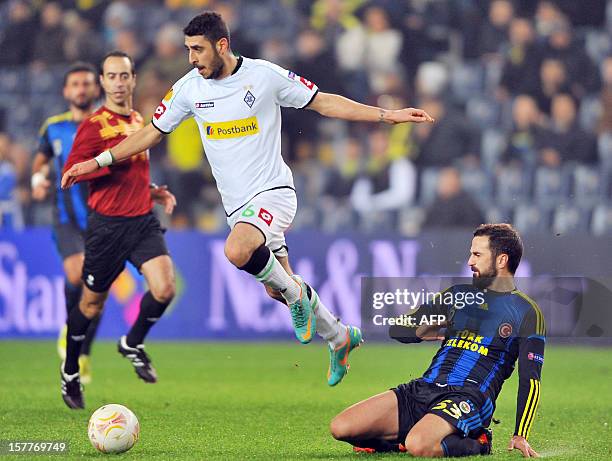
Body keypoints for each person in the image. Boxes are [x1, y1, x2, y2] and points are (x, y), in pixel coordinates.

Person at [61, 12, 435, 387]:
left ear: (221, 45)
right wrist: (96, 161)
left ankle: (298, 295)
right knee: (276, 287)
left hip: (274, 193)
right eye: (188, 49)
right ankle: (339, 336)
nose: (191, 58)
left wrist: (386, 115)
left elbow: (323, 102)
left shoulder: (265, 76)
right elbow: (150, 134)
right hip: (238, 209)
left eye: (197, 49)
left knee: (238, 251)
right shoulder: (189, 88)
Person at [330, 224, 545, 458]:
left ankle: (480, 442)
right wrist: (426, 328)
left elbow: (530, 379)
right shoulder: (456, 295)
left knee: (420, 444)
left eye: (477, 255)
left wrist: (520, 434)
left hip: (468, 396)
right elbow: (397, 328)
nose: (470, 261)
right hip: (424, 387)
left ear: (501, 260)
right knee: (340, 428)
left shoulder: (526, 311)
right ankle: (409, 439)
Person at [59, 51, 178, 410]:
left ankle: (132, 342)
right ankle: (70, 370)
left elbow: (134, 171)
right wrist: (108, 161)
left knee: (165, 287)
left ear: (133, 79)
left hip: (141, 221)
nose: (119, 82)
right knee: (91, 304)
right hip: (107, 227)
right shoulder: (94, 125)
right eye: (112, 76)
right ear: (103, 82)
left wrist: (152, 190)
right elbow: (73, 171)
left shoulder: (140, 118)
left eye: (124, 75)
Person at [31, 62, 101, 384]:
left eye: (86, 83)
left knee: (97, 293)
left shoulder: (106, 125)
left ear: (95, 88)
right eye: (75, 84)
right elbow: (42, 158)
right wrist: (38, 178)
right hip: (67, 219)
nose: (81, 89)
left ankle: (81, 352)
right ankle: (71, 329)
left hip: (104, 220)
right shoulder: (53, 127)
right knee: (77, 272)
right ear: (65, 91)